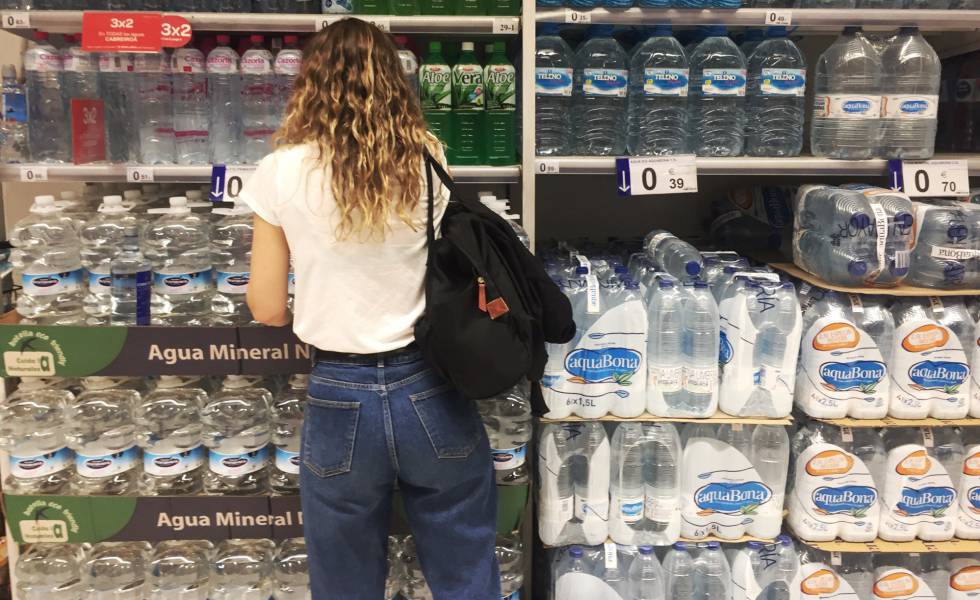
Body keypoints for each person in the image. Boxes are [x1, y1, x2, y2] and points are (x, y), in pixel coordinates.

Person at [240, 19, 500, 599]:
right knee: (463, 563)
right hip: (429, 385)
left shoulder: (279, 171)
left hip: (338, 394)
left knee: (344, 577)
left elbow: (265, 307)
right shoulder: (427, 157)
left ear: (311, 82)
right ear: (394, 81)